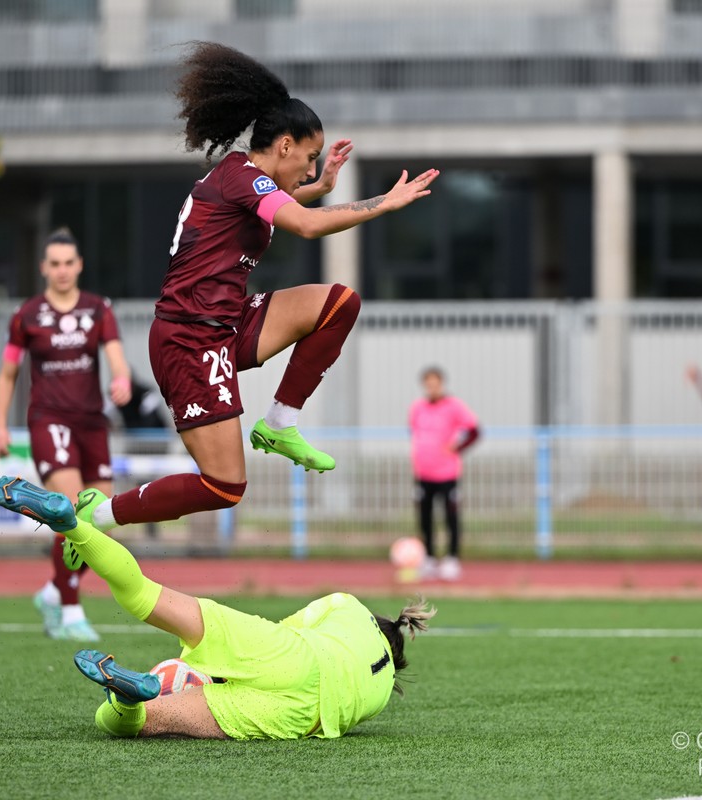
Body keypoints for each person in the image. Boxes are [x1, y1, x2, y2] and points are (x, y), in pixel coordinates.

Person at [74, 41, 439, 539]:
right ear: (284, 145)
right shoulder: (241, 177)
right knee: (224, 486)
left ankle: (279, 423)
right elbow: (305, 225)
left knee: (338, 304)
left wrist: (321, 187)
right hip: (188, 339)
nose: (309, 169)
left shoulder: (245, 180)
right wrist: (383, 203)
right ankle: (97, 515)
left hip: (226, 322)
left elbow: (284, 201)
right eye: (309, 158)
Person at [0, 476, 435, 740]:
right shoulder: (380, 694)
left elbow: (287, 630)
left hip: (287, 652)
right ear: (395, 660)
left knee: (143, 593)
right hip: (302, 711)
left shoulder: (347, 606)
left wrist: (214, 662)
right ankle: (128, 700)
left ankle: (71, 525)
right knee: (146, 722)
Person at [0, 227, 132, 641]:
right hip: (49, 421)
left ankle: (54, 590)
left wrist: (121, 379)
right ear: (44, 268)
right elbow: (7, 374)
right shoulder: (26, 315)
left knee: (100, 520)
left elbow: (116, 356)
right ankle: (70, 610)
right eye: (55, 263)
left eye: (69, 262)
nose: (63, 270)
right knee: (69, 510)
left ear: (80, 265)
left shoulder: (99, 309)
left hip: (92, 424)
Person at [408, 366, 480, 581]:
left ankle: (452, 558)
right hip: (423, 473)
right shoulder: (417, 408)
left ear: (442, 384)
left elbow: (474, 431)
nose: (432, 388)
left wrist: (457, 447)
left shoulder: (454, 406)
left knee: (451, 516)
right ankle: (429, 558)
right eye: (428, 384)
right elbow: (415, 433)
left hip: (447, 473)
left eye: (435, 384)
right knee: (425, 518)